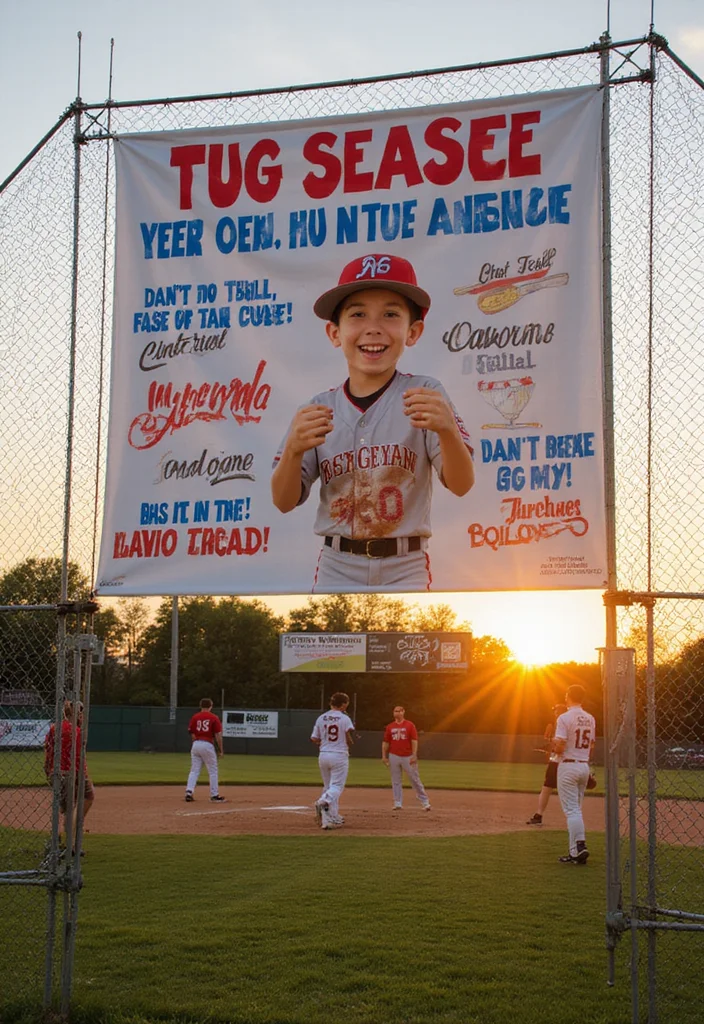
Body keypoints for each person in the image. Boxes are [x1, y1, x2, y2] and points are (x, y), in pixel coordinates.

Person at [271, 252, 475, 591]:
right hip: (338, 563)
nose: (374, 328)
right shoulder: (319, 408)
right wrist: (293, 451)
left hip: (405, 564)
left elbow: (462, 484)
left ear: (413, 331)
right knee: (337, 647)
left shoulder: (423, 394)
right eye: (358, 314)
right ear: (335, 333)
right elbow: (283, 501)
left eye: (391, 314)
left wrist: (448, 430)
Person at [44, 699, 95, 849]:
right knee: (88, 797)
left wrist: (47, 771)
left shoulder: (55, 728)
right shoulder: (78, 732)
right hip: (72, 771)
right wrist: (85, 776)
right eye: (80, 712)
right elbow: (78, 758)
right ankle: (68, 843)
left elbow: (47, 750)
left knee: (66, 808)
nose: (82, 716)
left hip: (55, 771)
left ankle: (62, 838)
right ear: (74, 713)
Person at [554, 685, 596, 864]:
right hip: (583, 766)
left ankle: (579, 845)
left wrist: (555, 749)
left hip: (568, 766)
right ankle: (574, 853)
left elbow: (561, 744)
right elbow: (591, 745)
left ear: (569, 696)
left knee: (571, 811)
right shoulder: (590, 718)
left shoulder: (564, 717)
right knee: (576, 810)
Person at [310, 692, 355, 829]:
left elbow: (314, 738)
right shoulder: (344, 718)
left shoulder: (321, 718)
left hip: (323, 754)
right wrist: (351, 743)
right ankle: (322, 801)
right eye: (346, 703)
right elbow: (348, 736)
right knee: (336, 786)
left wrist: (324, 743)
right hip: (339, 754)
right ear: (343, 704)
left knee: (328, 786)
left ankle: (331, 817)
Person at [382, 705, 431, 811]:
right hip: (394, 755)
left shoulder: (409, 725)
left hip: (408, 755)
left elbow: (414, 740)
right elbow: (386, 742)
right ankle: (397, 802)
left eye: (399, 711)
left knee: (414, 779)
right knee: (396, 780)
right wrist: (384, 756)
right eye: (395, 711)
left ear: (403, 712)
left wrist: (414, 754)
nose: (397, 713)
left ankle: (425, 802)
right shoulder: (390, 727)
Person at [526, 703, 567, 825]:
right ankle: (539, 814)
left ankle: (539, 814)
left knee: (547, 788)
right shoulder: (565, 725)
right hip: (565, 762)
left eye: (557, 711)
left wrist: (550, 746)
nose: (555, 713)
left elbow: (559, 747)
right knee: (552, 788)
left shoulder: (561, 724)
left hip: (558, 761)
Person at [185, 698, 225, 803]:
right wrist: (221, 750)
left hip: (196, 744)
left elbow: (192, 733)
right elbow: (218, 735)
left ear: (200, 706)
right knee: (213, 771)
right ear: (211, 706)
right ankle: (214, 795)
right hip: (207, 744)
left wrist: (197, 743)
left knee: (194, 770)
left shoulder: (195, 717)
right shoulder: (213, 717)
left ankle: (189, 791)